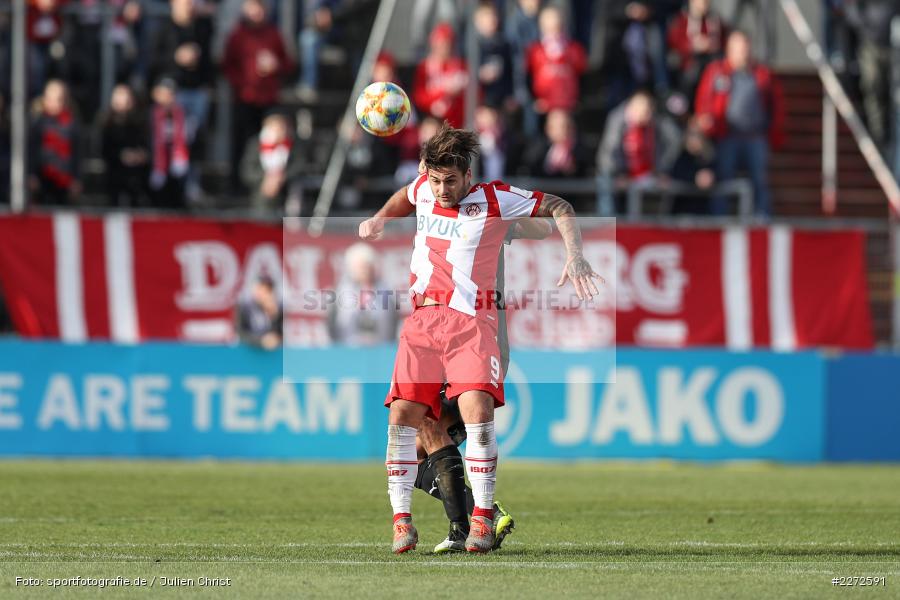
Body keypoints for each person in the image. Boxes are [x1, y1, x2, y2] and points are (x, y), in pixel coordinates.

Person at [358, 123, 602, 554]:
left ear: (467, 175)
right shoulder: (423, 190)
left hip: (472, 325)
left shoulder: (494, 201)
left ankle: (481, 520)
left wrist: (574, 253)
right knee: (408, 426)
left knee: (468, 419)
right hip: (423, 322)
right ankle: (412, 525)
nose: (442, 189)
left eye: (451, 180)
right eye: (435, 180)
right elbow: (408, 194)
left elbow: (555, 211)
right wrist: (380, 218)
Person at [695, 31, 785, 216]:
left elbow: (776, 104)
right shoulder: (717, 71)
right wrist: (707, 125)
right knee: (724, 179)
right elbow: (704, 101)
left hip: (755, 137)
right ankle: (719, 218)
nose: (743, 52)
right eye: (739, 48)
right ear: (729, 49)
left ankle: (762, 218)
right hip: (726, 136)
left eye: (746, 48)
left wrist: (775, 132)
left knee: (759, 181)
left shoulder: (761, 74)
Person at [222, 0, 294, 189]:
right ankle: (237, 186)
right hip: (244, 99)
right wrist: (243, 84)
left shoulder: (273, 34)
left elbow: (288, 63)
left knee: (271, 141)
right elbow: (227, 66)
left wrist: (276, 66)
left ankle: (268, 185)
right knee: (241, 143)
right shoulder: (237, 36)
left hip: (268, 99)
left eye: (260, 8)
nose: (256, 13)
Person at [327, 242, 398, 346]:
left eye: (368, 266)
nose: (365, 270)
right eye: (361, 266)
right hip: (347, 349)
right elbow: (332, 323)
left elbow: (393, 321)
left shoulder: (386, 290)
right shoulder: (340, 291)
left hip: (380, 349)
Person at [525, 6, 587, 115]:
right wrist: (535, 100)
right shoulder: (535, 51)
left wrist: (577, 99)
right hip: (543, 108)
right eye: (549, 28)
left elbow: (582, 75)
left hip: (568, 105)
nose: (554, 32)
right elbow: (528, 76)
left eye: (557, 27)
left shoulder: (575, 49)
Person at [28, 79, 81, 205]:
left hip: (64, 181)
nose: (53, 103)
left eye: (58, 99)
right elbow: (31, 150)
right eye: (49, 98)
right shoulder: (37, 122)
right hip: (42, 179)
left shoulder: (72, 124)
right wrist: (31, 174)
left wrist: (77, 179)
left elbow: (77, 152)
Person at [239, 112, 304, 214]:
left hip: (286, 194)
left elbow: (299, 166)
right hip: (260, 194)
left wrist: (281, 177)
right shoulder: (255, 144)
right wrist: (267, 178)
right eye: (277, 128)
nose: (282, 131)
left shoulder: (295, 145)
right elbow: (247, 171)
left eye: (284, 127)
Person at [101, 84, 149, 207]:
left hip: (135, 176)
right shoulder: (106, 122)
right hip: (114, 173)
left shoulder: (139, 122)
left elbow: (145, 146)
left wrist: (139, 155)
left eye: (125, 97)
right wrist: (121, 156)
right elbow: (103, 149)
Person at [412, 23, 469, 128]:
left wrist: (459, 91)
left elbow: (475, 95)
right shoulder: (425, 67)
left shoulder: (461, 66)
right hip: (434, 121)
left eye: (446, 44)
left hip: (459, 121)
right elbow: (419, 97)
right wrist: (443, 92)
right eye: (439, 44)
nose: (442, 48)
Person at [148, 78, 190, 209]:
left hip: (176, 162)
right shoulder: (150, 114)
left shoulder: (182, 114)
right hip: (156, 161)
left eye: (171, 94)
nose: (167, 98)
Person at [235, 275, 283, 349]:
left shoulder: (277, 308)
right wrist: (260, 341)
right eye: (260, 288)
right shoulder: (245, 306)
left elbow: (280, 334)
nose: (263, 292)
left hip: (271, 354)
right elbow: (240, 333)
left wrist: (273, 316)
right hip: (248, 352)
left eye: (267, 290)